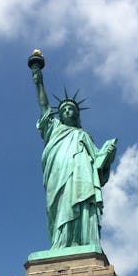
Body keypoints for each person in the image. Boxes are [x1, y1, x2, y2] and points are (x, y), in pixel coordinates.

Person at [30, 54, 117, 251]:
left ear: (77, 115)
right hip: (57, 173)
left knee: (82, 202)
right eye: (64, 109)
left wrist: (107, 154)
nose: (68, 111)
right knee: (60, 205)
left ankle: (84, 241)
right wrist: (38, 80)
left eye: (72, 109)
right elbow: (44, 106)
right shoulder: (53, 128)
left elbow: (98, 163)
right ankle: (61, 244)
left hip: (81, 174)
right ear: (59, 114)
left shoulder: (83, 135)